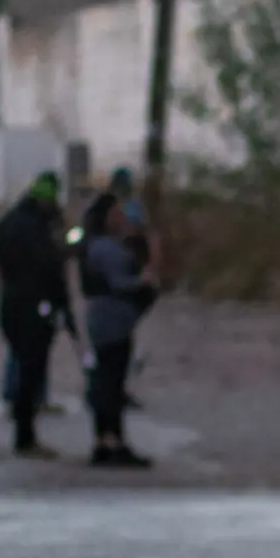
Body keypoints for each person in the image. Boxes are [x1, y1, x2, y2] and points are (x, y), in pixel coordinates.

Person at [0, 171, 75, 458]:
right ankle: (25, 436)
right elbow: (51, 268)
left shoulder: (8, 224)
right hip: (35, 305)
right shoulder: (40, 230)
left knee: (24, 362)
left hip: (12, 303)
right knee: (31, 368)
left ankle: (22, 420)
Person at [77, 191, 159, 468]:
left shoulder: (97, 246)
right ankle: (114, 441)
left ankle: (105, 440)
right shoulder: (106, 249)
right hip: (113, 321)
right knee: (112, 382)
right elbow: (119, 282)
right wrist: (142, 280)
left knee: (107, 379)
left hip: (107, 319)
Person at [107, 167, 157, 412]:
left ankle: (116, 388)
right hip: (123, 286)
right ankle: (113, 389)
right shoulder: (117, 211)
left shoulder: (124, 209)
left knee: (123, 341)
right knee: (118, 342)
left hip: (129, 283)